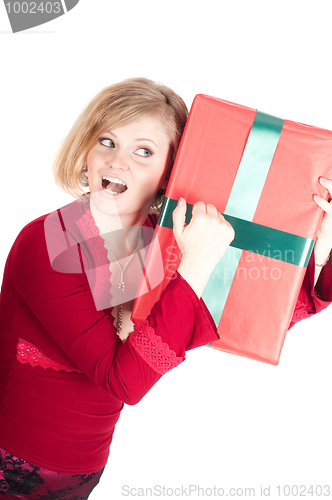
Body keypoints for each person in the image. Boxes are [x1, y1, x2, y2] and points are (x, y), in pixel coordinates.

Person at [0, 77, 331, 499]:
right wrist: (194, 266)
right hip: (10, 469)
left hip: (84, 474)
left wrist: (318, 248)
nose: (118, 161)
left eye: (144, 151)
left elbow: (247, 318)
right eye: (106, 141)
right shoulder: (47, 244)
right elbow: (124, 381)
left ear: (169, 173)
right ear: (85, 149)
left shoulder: (162, 239)